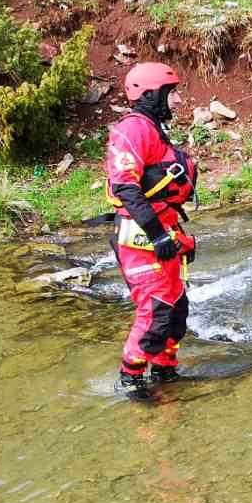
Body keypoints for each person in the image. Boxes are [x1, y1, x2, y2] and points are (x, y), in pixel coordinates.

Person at [105, 61, 197, 398]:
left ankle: (164, 374)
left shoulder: (153, 129)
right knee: (156, 310)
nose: (178, 101)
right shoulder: (132, 130)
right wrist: (158, 235)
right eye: (172, 94)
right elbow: (125, 188)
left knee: (175, 312)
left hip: (163, 234)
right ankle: (130, 382)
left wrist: (172, 238)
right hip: (143, 239)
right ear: (151, 94)